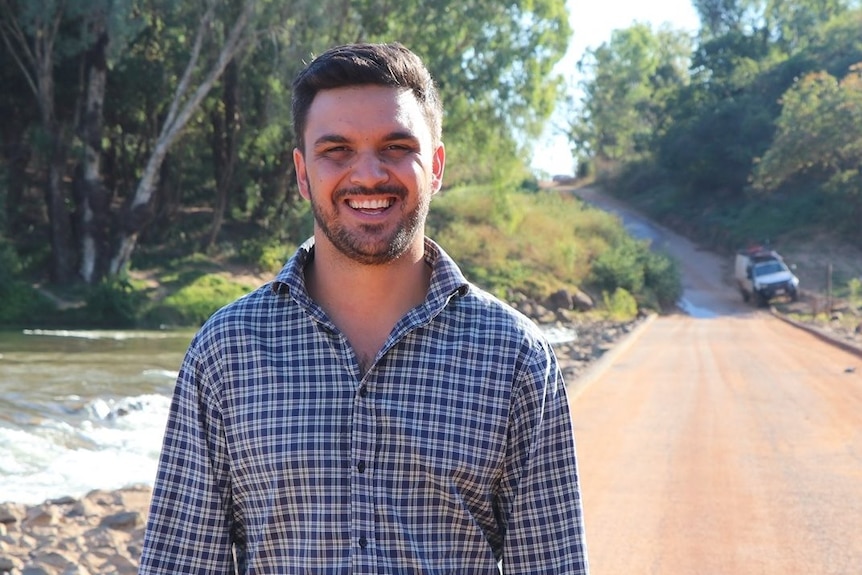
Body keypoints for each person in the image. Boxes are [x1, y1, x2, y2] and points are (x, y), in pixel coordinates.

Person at [138, 42, 589, 574]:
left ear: (436, 165)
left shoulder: (515, 358)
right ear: (303, 173)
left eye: (396, 146)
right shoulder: (227, 351)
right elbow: (181, 564)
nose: (369, 174)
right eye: (338, 150)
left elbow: (551, 564)